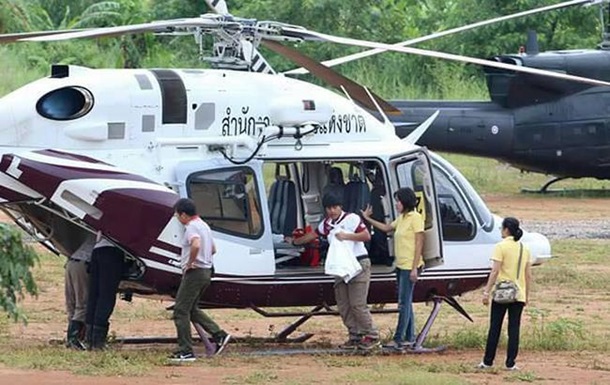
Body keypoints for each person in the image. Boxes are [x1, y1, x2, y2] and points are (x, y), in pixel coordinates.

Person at [291, 193, 379, 350]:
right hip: (340, 266)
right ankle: (354, 335)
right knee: (344, 304)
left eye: (334, 207)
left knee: (357, 304)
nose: (332, 211)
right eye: (329, 208)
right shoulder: (327, 224)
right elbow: (313, 235)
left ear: (341, 207)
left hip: (358, 264)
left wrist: (346, 236)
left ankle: (371, 335)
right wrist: (295, 242)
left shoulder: (352, 219)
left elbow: (365, 236)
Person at [361, 187, 424, 351]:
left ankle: (398, 339)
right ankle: (409, 337)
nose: (396, 204)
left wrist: (414, 268)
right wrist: (367, 219)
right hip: (401, 264)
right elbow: (387, 228)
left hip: (410, 265)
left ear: (405, 202)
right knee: (406, 302)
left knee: (403, 303)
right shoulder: (402, 218)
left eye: (398, 201)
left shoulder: (415, 218)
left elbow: (419, 243)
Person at [170, 198, 231, 362]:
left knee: (180, 310)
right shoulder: (204, 225)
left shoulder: (191, 227)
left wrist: (190, 263)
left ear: (184, 214)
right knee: (191, 309)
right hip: (206, 271)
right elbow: (213, 249)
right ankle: (219, 335)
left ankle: (186, 351)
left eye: (177, 215)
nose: (177, 218)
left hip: (195, 273)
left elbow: (195, 244)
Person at [478, 217, 532, 371]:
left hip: (502, 293)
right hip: (518, 293)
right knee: (514, 329)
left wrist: (486, 291)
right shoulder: (524, 248)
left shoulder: (500, 247)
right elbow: (528, 275)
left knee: (495, 327)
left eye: (502, 228)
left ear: (506, 229)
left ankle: (488, 361)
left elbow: (495, 271)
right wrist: (527, 295)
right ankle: (511, 362)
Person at [85, 233, 125, 350]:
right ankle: (98, 342)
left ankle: (89, 339)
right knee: (106, 296)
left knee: (94, 295)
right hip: (113, 250)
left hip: (97, 249)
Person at [64, 233, 95, 350]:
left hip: (71, 262)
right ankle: (74, 339)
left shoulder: (93, 230)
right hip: (84, 263)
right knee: (82, 303)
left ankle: (71, 337)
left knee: (71, 302)